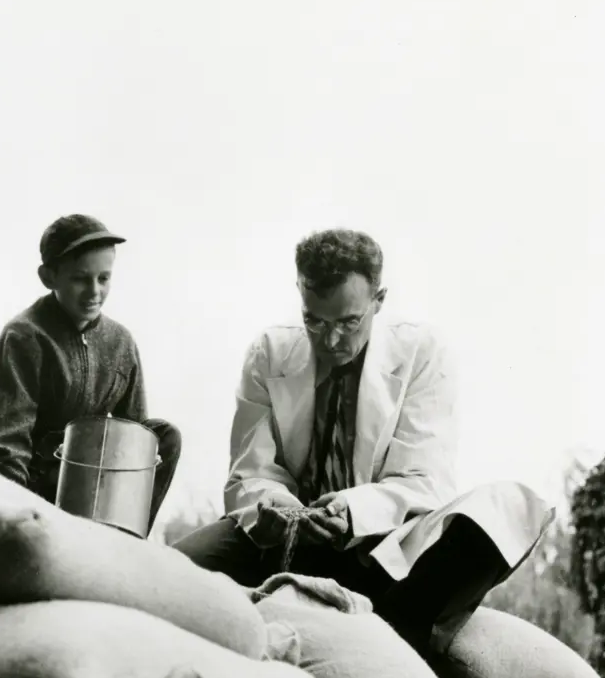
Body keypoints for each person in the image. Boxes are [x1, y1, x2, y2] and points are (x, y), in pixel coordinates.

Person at [173, 227, 552, 654]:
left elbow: (422, 480)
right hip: (282, 539)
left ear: (379, 301)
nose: (330, 341)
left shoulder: (422, 351)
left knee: (504, 506)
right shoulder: (268, 352)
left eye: (348, 322)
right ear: (300, 293)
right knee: (167, 575)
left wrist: (350, 511)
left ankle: (392, 638)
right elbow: (249, 472)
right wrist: (277, 510)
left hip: (376, 542)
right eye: (313, 321)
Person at [0, 215, 181, 524]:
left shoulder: (121, 342)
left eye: (104, 279)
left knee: (162, 436)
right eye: (80, 278)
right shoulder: (24, 336)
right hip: (22, 468)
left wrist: (138, 461)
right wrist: (14, 518)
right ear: (48, 277)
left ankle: (127, 535)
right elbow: (8, 442)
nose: (93, 291)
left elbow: (132, 432)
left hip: (74, 469)